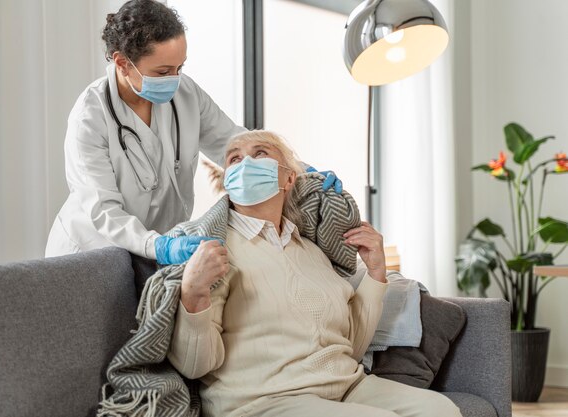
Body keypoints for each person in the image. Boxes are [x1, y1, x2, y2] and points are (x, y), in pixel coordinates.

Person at [166, 130, 462, 417]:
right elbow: (195, 366)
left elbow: (352, 346)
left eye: (260, 154)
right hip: (262, 401)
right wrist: (193, 293)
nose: (244, 164)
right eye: (233, 159)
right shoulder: (212, 250)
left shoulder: (312, 251)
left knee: (442, 410)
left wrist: (375, 272)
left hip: (345, 386)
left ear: (289, 177)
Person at [45, 0, 341, 265]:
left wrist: (298, 171)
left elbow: (234, 144)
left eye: (180, 67)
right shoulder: (91, 117)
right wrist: (158, 246)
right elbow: (104, 210)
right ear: (123, 63)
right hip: (92, 252)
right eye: (163, 72)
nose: (174, 80)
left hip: (158, 248)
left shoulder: (184, 94)